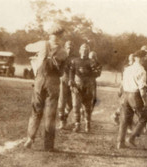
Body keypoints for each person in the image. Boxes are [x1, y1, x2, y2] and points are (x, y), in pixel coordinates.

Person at [23, 23, 67, 151]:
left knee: (36, 111)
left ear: (50, 34)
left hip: (39, 80)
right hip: (53, 82)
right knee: (50, 114)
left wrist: (37, 56)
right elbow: (62, 72)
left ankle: (30, 138)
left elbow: (27, 47)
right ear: (61, 36)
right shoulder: (63, 51)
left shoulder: (42, 44)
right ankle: (48, 145)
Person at [117, 50, 147, 149]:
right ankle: (132, 138)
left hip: (125, 95)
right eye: (145, 57)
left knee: (124, 119)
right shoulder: (142, 70)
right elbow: (142, 90)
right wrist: (145, 102)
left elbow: (122, 84)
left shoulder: (127, 69)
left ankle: (120, 142)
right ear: (142, 58)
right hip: (134, 96)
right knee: (144, 117)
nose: (145, 59)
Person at [70, 43, 95, 133]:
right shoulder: (75, 61)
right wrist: (72, 84)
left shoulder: (92, 61)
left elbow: (95, 75)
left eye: (86, 50)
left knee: (87, 107)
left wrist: (90, 85)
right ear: (79, 51)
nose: (84, 51)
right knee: (76, 106)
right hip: (77, 85)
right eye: (83, 50)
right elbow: (71, 73)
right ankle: (77, 125)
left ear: (88, 51)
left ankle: (87, 125)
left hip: (88, 86)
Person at [112, 54, 135, 125]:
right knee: (126, 105)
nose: (133, 60)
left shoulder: (136, 67)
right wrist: (120, 88)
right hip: (127, 88)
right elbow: (123, 79)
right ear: (129, 59)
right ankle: (118, 116)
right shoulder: (127, 67)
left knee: (129, 105)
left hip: (133, 88)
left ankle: (116, 115)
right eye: (132, 59)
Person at [57, 40, 75, 130]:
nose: (70, 47)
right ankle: (62, 122)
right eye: (68, 46)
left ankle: (65, 116)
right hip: (63, 80)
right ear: (65, 47)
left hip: (72, 81)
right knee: (62, 101)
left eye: (71, 45)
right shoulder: (61, 56)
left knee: (71, 104)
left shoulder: (76, 58)